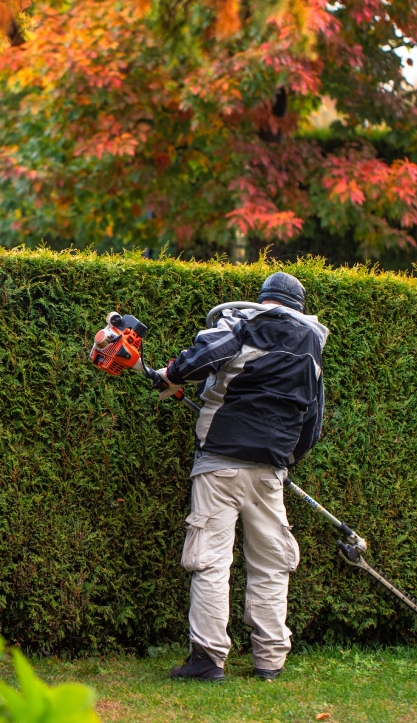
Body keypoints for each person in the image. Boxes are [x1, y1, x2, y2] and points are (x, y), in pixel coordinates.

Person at [156, 272, 328, 682]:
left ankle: (208, 660)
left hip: (220, 463)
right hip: (270, 471)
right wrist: (285, 461)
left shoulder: (244, 324)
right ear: (299, 309)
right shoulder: (313, 351)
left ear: (264, 299)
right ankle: (270, 661)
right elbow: (313, 425)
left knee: (212, 560)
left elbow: (202, 356)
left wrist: (170, 374)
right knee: (271, 565)